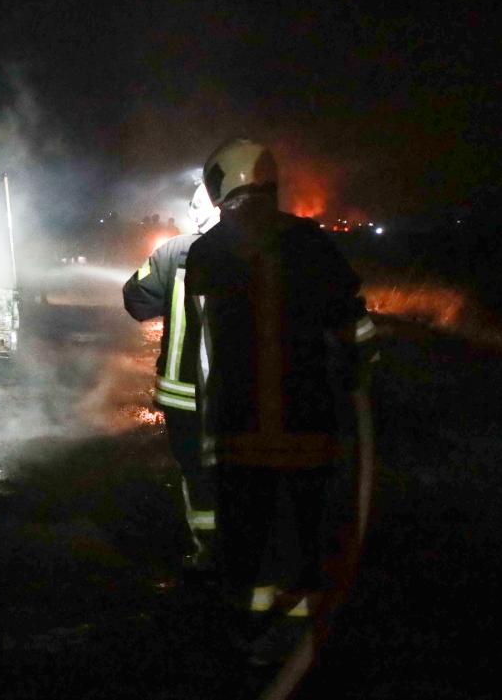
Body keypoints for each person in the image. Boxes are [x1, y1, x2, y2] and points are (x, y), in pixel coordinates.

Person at [184, 138, 378, 664]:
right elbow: (354, 323)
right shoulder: (312, 242)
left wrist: (201, 423)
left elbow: (201, 347)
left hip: (238, 429)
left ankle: (249, 633)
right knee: (305, 531)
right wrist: (360, 365)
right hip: (308, 425)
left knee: (245, 537)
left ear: (222, 183)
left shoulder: (207, 252)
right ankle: (301, 630)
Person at [123, 183, 221, 574]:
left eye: (196, 205)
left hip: (185, 395)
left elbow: (136, 300)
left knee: (197, 473)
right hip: (251, 394)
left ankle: (209, 555)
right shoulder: (270, 249)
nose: (192, 212)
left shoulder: (175, 252)